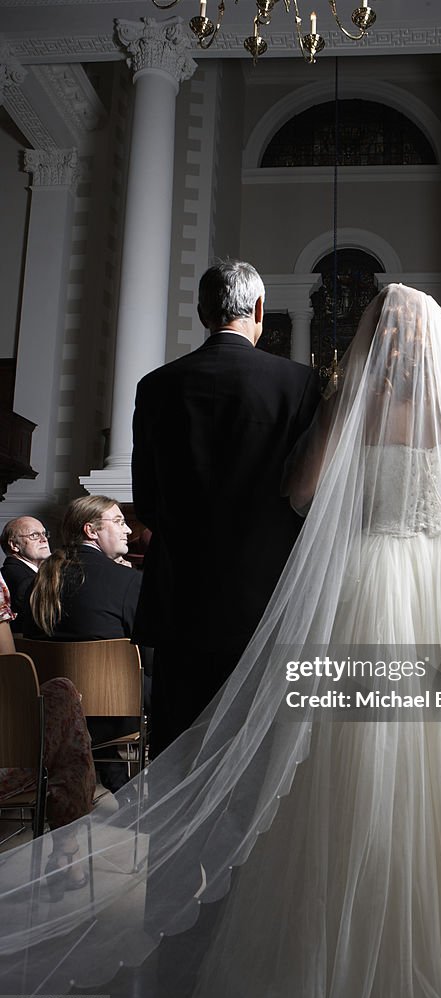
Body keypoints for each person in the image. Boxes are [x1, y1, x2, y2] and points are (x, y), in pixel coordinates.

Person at [1, 287, 441, 998]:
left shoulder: (353, 406)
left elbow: (299, 494)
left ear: (373, 344)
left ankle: (335, 956)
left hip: (371, 587)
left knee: (350, 765)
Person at [131, 257, 320, 755]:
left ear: (202, 312)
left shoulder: (155, 386)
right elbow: (308, 496)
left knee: (179, 751)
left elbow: (146, 499)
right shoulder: (299, 384)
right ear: (260, 308)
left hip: (180, 600)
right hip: (266, 598)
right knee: (259, 752)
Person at [25, 495, 142, 794]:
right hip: (115, 711)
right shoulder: (127, 581)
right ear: (91, 530)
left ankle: (109, 776)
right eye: (118, 522)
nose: (128, 530)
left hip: (50, 710)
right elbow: (148, 656)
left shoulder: (39, 580)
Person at [0, 572, 95, 898]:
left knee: (59, 701)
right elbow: (11, 676)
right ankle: (67, 848)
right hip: (10, 764)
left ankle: (67, 852)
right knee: (64, 698)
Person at [0, 516, 51, 632]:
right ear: (14, 545)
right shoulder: (25, 580)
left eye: (44, 533)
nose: (44, 539)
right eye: (34, 535)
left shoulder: (14, 572)